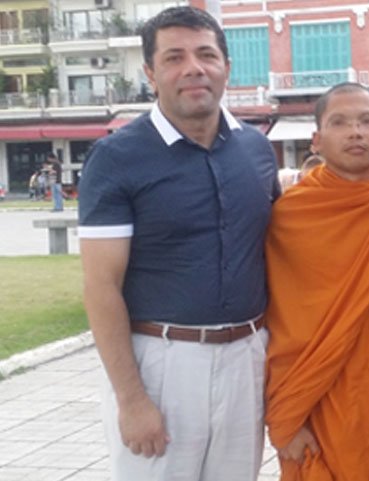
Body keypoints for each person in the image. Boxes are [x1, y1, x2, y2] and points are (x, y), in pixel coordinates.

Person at [78, 7, 278, 481]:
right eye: (174, 57)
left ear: (226, 67)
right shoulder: (116, 158)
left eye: (207, 54)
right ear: (150, 72)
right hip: (162, 364)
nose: (194, 68)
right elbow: (100, 287)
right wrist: (131, 400)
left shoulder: (255, 149)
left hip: (246, 358)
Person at [265, 82, 369, 481]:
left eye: (367, 121)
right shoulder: (289, 217)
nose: (355, 132)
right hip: (318, 403)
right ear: (316, 139)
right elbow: (276, 320)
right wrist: (284, 414)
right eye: (340, 122)